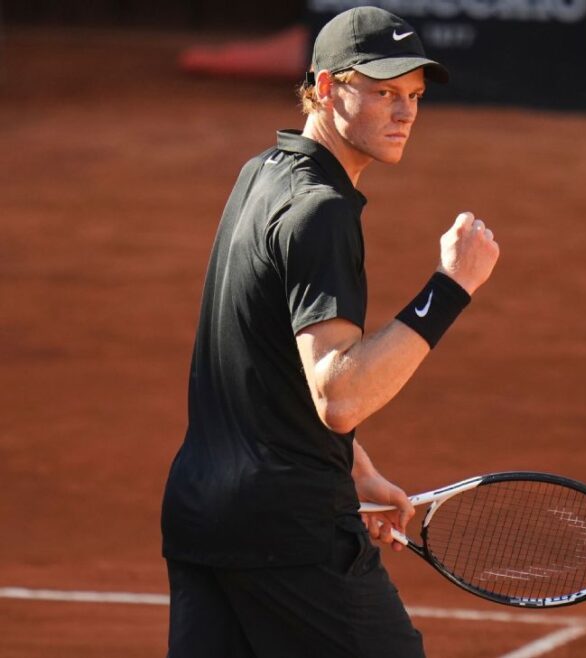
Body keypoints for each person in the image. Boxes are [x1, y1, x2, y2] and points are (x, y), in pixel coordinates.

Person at [160, 7, 499, 657]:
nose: (405, 113)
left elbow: (273, 359)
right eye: (384, 92)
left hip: (203, 514)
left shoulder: (262, 173)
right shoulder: (323, 211)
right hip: (289, 532)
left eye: (414, 96)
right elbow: (338, 395)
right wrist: (452, 286)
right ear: (324, 87)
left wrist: (355, 469)